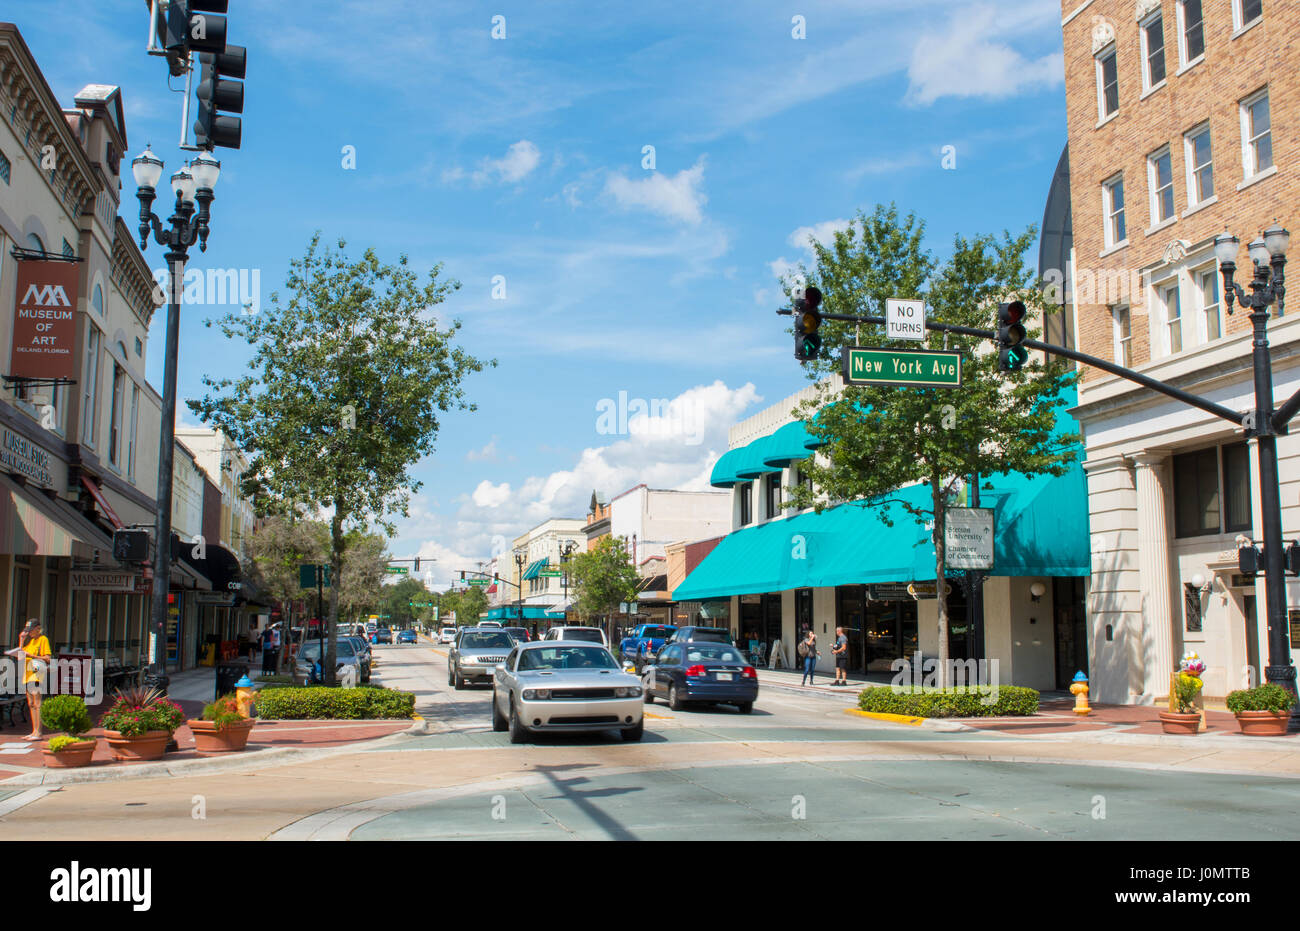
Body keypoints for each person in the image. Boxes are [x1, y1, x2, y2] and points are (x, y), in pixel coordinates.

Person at [17, 620, 51, 741]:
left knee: (37, 703)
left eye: (31, 630)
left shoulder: (43, 640)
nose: (29, 633)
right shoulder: (30, 641)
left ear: (38, 628)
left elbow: (47, 658)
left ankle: (39, 732)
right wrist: (21, 640)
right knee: (31, 704)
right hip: (27, 674)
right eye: (27, 631)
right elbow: (21, 655)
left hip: (36, 674)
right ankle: (34, 731)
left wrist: (32, 656)